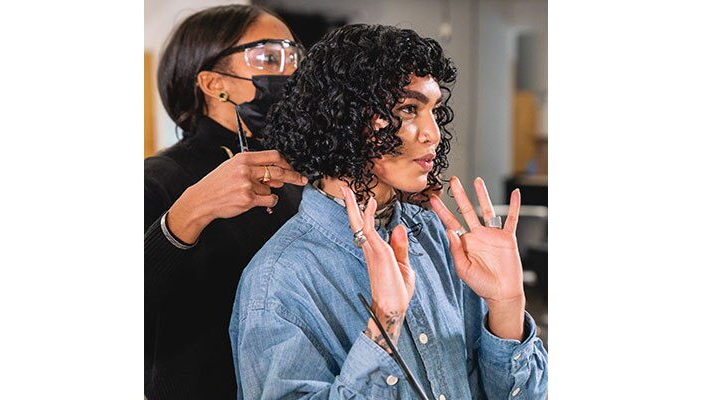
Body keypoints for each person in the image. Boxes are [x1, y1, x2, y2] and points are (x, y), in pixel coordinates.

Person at [230, 24, 548, 399]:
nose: (433, 133)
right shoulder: (280, 279)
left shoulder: (436, 237)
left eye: (435, 110)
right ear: (342, 116)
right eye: (409, 109)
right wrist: (383, 327)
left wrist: (506, 308)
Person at [144, 5, 309, 398]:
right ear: (213, 82)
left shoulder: (295, 177)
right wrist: (188, 214)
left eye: (294, 57)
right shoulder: (160, 178)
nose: (289, 72)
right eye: (269, 57)